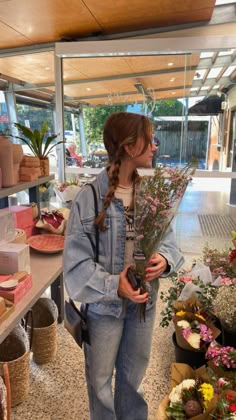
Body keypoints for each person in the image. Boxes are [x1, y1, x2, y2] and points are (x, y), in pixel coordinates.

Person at [63, 111, 184, 420]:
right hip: (104, 311)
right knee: (100, 383)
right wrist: (112, 283)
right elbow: (75, 267)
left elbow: (169, 241)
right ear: (130, 147)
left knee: (132, 381)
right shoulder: (88, 198)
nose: (155, 146)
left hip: (143, 306)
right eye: (149, 139)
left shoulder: (151, 194)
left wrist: (164, 259)